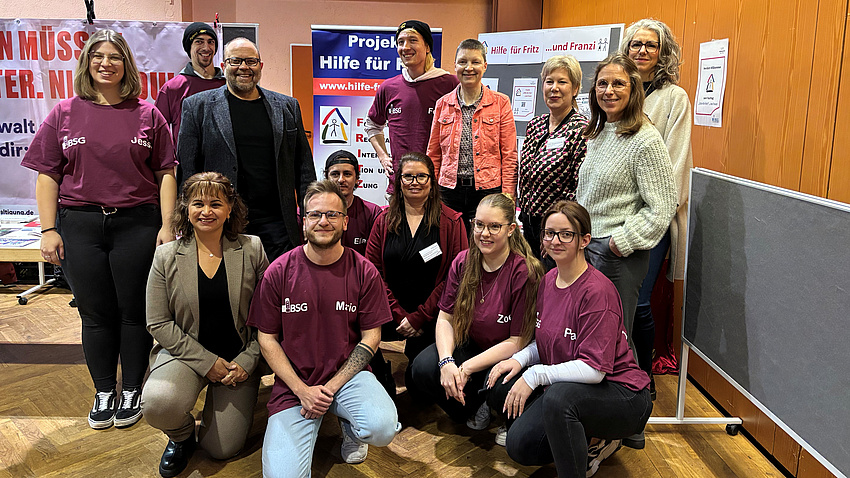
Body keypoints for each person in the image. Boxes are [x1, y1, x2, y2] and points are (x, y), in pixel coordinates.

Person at [21, 29, 177, 430]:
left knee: (134, 311)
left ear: (126, 64)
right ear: (86, 63)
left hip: (137, 224)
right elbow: (46, 176)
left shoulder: (147, 114)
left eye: (115, 57)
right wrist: (48, 229)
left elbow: (165, 173)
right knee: (94, 313)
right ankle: (105, 389)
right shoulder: (64, 113)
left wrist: (166, 225)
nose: (106, 63)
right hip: (80, 224)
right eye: (97, 56)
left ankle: (133, 390)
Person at [486, 201, 652, 478]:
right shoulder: (548, 280)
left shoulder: (598, 291)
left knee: (559, 399)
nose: (555, 241)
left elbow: (595, 370)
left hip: (623, 393)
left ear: (585, 240)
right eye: (549, 233)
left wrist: (536, 375)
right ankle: (586, 438)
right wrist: (519, 359)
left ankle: (596, 447)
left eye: (566, 234)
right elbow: (549, 340)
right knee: (519, 442)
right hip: (575, 387)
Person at [248, 180, 400, 477]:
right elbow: (266, 339)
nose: (323, 221)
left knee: (381, 428)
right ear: (304, 222)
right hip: (295, 385)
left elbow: (372, 338)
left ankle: (349, 424)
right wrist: (302, 390)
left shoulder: (364, 271)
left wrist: (328, 389)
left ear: (345, 221)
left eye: (332, 214)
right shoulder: (279, 271)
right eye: (315, 215)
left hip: (347, 378)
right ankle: (318, 417)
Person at [577, 53, 676, 449]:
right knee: (600, 336)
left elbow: (663, 205)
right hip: (590, 248)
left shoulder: (645, 139)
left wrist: (623, 240)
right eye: (603, 83)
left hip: (619, 255)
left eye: (619, 84)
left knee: (617, 338)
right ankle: (606, 415)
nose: (609, 90)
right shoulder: (601, 132)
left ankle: (630, 420)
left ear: (634, 89)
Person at [142, 172, 268, 477]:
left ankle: (220, 410)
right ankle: (181, 437)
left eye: (215, 203)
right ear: (186, 208)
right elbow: (157, 322)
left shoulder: (252, 249)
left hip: (238, 359)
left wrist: (248, 361)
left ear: (229, 209)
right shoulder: (165, 255)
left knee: (220, 449)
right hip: (185, 354)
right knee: (158, 404)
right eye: (198, 203)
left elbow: (268, 317)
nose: (206, 211)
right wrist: (207, 362)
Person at [409, 193, 542, 430]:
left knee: (502, 388)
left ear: (511, 229)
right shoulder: (463, 261)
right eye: (479, 225)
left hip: (506, 355)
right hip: (471, 345)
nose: (484, 233)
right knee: (420, 369)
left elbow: (518, 341)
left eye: (494, 227)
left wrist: (466, 368)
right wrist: (447, 362)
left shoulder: (525, 271)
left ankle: (496, 409)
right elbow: (445, 318)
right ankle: (472, 407)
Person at [178, 37, 316, 260]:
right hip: (221, 221)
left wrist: (311, 215)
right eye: (236, 61)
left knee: (278, 290)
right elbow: (187, 169)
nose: (244, 67)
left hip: (277, 223)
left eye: (251, 61)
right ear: (223, 67)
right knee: (231, 292)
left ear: (260, 66)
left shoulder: (287, 106)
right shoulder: (197, 107)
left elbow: (304, 168)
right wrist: (185, 222)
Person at [620, 19, 694, 396]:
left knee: (639, 302)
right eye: (636, 44)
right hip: (614, 214)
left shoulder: (674, 98)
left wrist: (653, 210)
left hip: (652, 216)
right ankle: (616, 373)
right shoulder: (617, 88)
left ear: (663, 52)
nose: (643, 51)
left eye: (651, 45)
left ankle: (641, 380)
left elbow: (677, 163)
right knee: (614, 301)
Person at [365, 152, 468, 396]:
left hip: (434, 316)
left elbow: (456, 277)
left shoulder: (452, 222)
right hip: (389, 311)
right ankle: (379, 375)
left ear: (432, 182)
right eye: (408, 176)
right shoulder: (383, 220)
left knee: (419, 383)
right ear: (399, 181)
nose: (414, 182)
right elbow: (372, 273)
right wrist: (399, 313)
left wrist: (419, 317)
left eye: (421, 176)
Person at [427, 38, 517, 233]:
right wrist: (430, 191)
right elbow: (433, 154)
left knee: (485, 243)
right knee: (449, 241)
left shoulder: (500, 103)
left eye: (475, 62)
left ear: (484, 66)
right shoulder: (443, 104)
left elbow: (509, 155)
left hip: (487, 190)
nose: (469, 68)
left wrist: (508, 197)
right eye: (463, 62)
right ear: (455, 65)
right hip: (448, 190)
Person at [365, 20, 458, 194]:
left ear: (428, 47)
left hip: (438, 187)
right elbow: (372, 125)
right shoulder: (388, 87)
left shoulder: (450, 84)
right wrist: (383, 156)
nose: (405, 47)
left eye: (413, 40)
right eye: (400, 42)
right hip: (400, 184)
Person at [517, 55, 588, 263]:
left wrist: (556, 231)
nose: (554, 88)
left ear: (575, 89)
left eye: (562, 82)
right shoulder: (535, 125)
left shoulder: (581, 129)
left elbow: (578, 188)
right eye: (549, 81)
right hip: (528, 224)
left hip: (558, 230)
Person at [154, 21, 225, 184]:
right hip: (189, 173)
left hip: (224, 171)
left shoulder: (227, 86)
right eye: (199, 41)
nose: (206, 47)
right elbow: (158, 137)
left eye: (211, 42)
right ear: (189, 47)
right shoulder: (172, 88)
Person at [324, 150, 382, 256]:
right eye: (335, 174)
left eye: (347, 174)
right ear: (326, 177)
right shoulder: (311, 213)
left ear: (357, 178)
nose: (341, 180)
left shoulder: (373, 213)